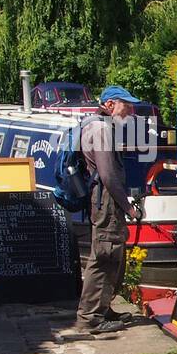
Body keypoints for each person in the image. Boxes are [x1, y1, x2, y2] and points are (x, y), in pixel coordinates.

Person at [72, 84, 144, 336]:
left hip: (104, 200)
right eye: (127, 105)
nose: (131, 111)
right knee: (104, 255)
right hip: (105, 202)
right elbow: (108, 175)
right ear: (111, 104)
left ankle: (103, 308)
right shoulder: (101, 129)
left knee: (113, 255)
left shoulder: (95, 124)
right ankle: (90, 317)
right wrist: (128, 207)